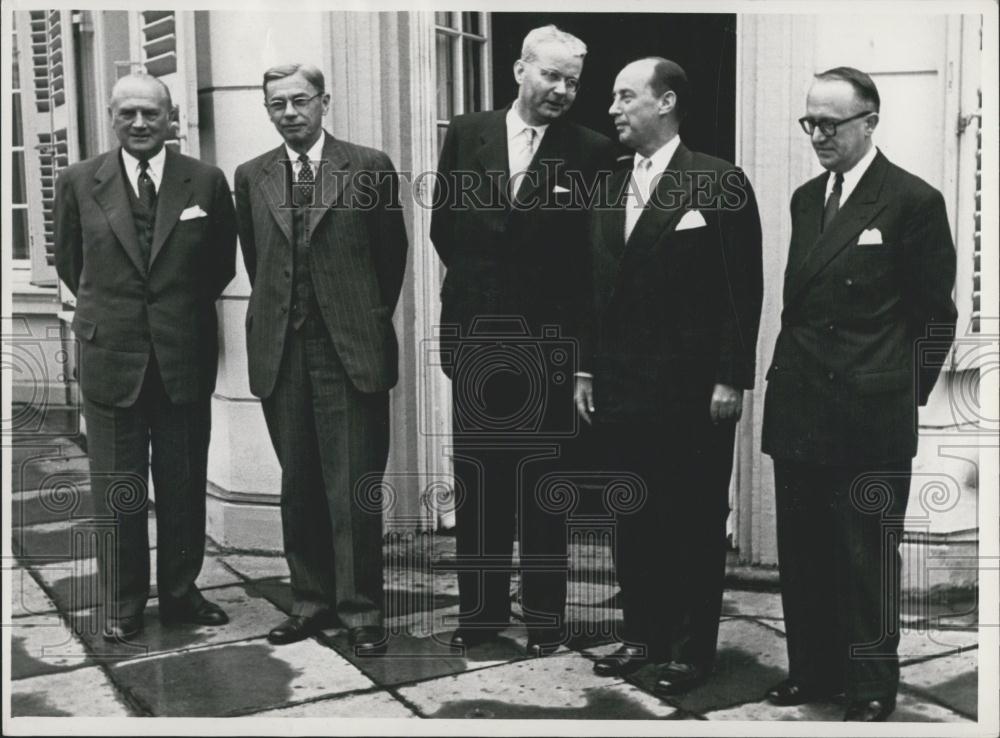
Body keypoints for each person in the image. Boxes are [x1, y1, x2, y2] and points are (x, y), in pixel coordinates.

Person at [761, 67, 957, 722]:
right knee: (805, 549)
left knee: (865, 555)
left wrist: (902, 394)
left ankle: (871, 683)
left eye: (830, 124)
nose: (817, 135)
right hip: (800, 406)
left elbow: (936, 318)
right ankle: (813, 671)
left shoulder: (912, 201)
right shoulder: (804, 199)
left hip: (868, 415)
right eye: (808, 122)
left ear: (869, 122)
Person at [577, 57, 763, 694]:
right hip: (622, 389)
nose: (612, 110)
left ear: (666, 102)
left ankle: (688, 649)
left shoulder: (718, 182)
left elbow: (743, 291)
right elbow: (592, 290)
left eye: (625, 96)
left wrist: (730, 377)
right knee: (633, 516)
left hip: (691, 393)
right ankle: (642, 634)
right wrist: (584, 369)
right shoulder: (608, 183)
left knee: (691, 519)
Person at [430, 24, 617, 656]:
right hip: (478, 343)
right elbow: (444, 232)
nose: (561, 90)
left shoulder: (591, 152)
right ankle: (478, 618)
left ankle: (544, 620)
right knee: (479, 483)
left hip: (549, 349)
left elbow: (594, 266)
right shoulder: (468, 134)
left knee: (542, 490)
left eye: (572, 81)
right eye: (551, 76)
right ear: (520, 70)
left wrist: (582, 358)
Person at [54, 73, 237, 641]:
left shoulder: (205, 182)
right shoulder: (80, 181)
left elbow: (220, 266)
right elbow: (70, 262)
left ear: (171, 118)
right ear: (111, 115)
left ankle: (180, 593)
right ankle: (124, 601)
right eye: (128, 113)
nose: (139, 124)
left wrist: (172, 315)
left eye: (151, 114)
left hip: (183, 355)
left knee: (183, 484)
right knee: (117, 488)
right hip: (111, 357)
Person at [234, 63, 407, 652]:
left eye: (300, 100)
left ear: (324, 101)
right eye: (276, 103)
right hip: (282, 351)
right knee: (299, 483)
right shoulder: (251, 175)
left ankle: (361, 613)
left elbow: (391, 259)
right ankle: (309, 601)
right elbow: (259, 261)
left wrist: (358, 318)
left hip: (348, 351)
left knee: (352, 485)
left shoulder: (368, 167)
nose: (289, 113)